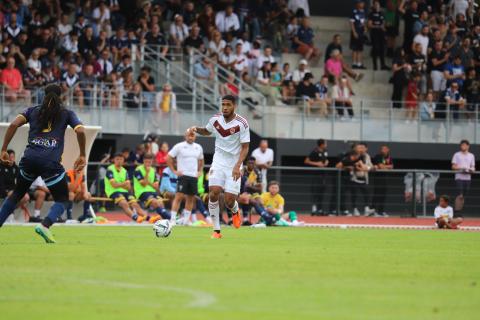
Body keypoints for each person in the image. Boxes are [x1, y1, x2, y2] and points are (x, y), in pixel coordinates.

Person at [0, 84, 87, 243]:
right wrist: (82, 154)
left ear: (43, 95)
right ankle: (45, 225)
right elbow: (80, 131)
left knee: (18, 193)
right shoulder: (66, 113)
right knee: (62, 198)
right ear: (61, 97)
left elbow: (13, 124)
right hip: (50, 162)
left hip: (29, 160)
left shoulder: (32, 110)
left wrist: (4, 149)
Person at [187, 95, 250, 239]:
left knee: (229, 200)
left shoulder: (242, 123)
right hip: (218, 161)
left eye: (228, 104)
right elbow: (207, 131)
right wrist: (195, 128)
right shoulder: (215, 119)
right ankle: (216, 230)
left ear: (234, 106)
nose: (225, 107)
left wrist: (237, 166)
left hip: (234, 164)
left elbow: (245, 147)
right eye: (223, 104)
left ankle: (234, 210)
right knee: (213, 192)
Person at [166, 131, 204, 225]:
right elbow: (168, 157)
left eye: (193, 136)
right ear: (185, 136)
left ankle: (186, 220)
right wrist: (174, 171)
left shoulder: (198, 147)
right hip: (183, 176)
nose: (191, 137)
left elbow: (201, 160)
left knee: (191, 198)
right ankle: (173, 219)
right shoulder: (179, 146)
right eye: (189, 135)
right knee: (179, 196)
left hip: (193, 177)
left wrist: (200, 171)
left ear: (195, 137)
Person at [104, 153, 152, 223]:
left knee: (135, 204)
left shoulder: (124, 171)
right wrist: (124, 184)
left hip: (125, 192)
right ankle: (136, 218)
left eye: (121, 159)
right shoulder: (110, 169)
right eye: (117, 159)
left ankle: (149, 218)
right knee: (124, 203)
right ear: (114, 160)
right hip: (113, 191)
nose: (119, 161)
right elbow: (114, 185)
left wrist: (121, 184)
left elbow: (128, 186)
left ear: (123, 160)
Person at [133, 153, 169, 222]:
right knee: (155, 202)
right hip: (141, 192)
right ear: (143, 161)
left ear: (152, 161)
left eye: (149, 162)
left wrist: (151, 184)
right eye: (146, 162)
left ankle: (164, 221)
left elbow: (155, 185)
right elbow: (143, 184)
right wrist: (146, 173)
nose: (148, 164)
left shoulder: (153, 170)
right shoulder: (138, 170)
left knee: (161, 202)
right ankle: (169, 217)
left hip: (151, 191)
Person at [0, 150, 32, 222]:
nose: (12, 159)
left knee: (26, 197)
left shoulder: (16, 168)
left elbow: (21, 182)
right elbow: (1, 183)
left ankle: (7, 211)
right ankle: (10, 216)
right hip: (4, 191)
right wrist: (5, 192)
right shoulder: (1, 167)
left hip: (14, 191)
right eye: (10, 157)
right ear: (6, 158)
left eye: (13, 157)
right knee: (12, 195)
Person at [304, 139, 329, 216]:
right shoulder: (314, 151)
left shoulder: (325, 151)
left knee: (322, 192)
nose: (326, 145)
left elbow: (324, 160)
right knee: (315, 191)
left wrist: (327, 162)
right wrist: (317, 163)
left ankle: (320, 209)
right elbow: (306, 161)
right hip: (316, 175)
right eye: (325, 143)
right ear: (321, 144)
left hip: (323, 175)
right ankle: (314, 209)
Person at [451, 140, 475, 213]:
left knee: (463, 196)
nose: (463, 147)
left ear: (468, 146)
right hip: (459, 177)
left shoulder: (471, 155)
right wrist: (461, 168)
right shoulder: (456, 154)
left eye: (464, 145)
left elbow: (473, 167)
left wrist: (471, 170)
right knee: (460, 195)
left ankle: (459, 211)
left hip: (467, 178)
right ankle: (456, 211)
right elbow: (453, 166)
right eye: (462, 145)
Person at [370, 145, 394, 216]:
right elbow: (380, 166)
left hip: (385, 179)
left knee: (383, 195)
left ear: (388, 149)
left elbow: (392, 166)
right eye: (381, 149)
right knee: (376, 194)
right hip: (378, 179)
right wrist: (387, 167)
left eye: (384, 149)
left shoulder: (389, 157)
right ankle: (372, 210)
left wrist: (385, 167)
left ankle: (381, 211)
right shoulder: (378, 156)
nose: (382, 150)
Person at [368, 1, 389, 70]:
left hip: (381, 33)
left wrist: (383, 27)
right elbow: (369, 25)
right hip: (374, 33)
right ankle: (375, 66)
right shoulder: (371, 14)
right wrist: (377, 26)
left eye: (378, 4)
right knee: (375, 49)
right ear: (373, 6)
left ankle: (383, 65)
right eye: (375, 4)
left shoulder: (382, 13)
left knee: (382, 49)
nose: (377, 6)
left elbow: (383, 23)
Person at [350, 0, 367, 69]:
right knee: (354, 48)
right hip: (356, 31)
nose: (362, 4)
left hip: (361, 32)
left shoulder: (363, 12)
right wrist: (354, 32)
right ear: (358, 4)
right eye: (361, 3)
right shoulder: (354, 12)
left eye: (363, 3)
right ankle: (354, 63)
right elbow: (351, 23)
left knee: (360, 48)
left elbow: (363, 21)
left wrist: (365, 27)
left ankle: (359, 63)